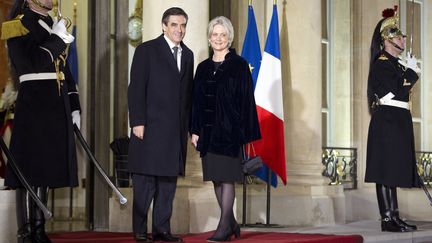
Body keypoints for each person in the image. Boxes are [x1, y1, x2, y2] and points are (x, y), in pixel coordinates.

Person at [1, 0, 80, 242]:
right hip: (34, 107)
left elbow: (64, 73)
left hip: (56, 108)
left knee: (45, 172)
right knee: (30, 172)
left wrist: (74, 106)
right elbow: (30, 64)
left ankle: (39, 230)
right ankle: (27, 233)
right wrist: (56, 40)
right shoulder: (17, 25)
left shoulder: (52, 25)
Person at [190, 16, 261, 242]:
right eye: (215, 34)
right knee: (216, 178)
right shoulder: (202, 68)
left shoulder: (239, 65)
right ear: (209, 38)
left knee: (227, 178)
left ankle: (223, 226)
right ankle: (231, 223)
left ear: (229, 37)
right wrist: (194, 130)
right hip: (208, 133)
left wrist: (244, 133)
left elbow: (246, 100)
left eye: (223, 34)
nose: (218, 38)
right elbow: (195, 102)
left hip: (230, 132)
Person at [127, 7, 194, 243]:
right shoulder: (146, 50)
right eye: (175, 25)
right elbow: (135, 89)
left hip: (174, 131)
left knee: (167, 184)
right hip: (149, 127)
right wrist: (137, 122)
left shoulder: (188, 55)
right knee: (145, 184)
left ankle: (162, 230)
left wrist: (189, 127)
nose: (179, 29)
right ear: (164, 26)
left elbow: (187, 95)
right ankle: (139, 230)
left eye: (183, 25)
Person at [365, 6, 421, 233]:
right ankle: (387, 219)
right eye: (398, 36)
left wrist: (406, 71)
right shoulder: (381, 63)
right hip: (387, 120)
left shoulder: (394, 63)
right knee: (385, 171)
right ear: (387, 40)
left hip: (397, 119)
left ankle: (394, 216)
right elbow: (396, 90)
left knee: (393, 171)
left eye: (402, 35)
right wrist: (411, 74)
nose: (403, 39)